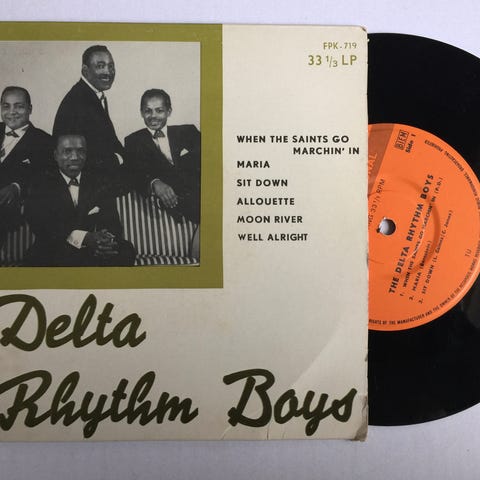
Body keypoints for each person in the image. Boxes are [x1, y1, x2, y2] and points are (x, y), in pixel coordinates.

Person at [24, 134, 135, 267]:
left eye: (81, 151)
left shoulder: (99, 182)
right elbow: (40, 225)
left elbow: (112, 222)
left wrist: (105, 242)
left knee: (126, 250)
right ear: (56, 155)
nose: (75, 157)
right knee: (41, 257)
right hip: (56, 247)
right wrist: (84, 238)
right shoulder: (41, 183)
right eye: (67, 151)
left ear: (86, 155)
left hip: (92, 250)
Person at [53, 45, 127, 194]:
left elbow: (108, 140)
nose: (108, 72)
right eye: (100, 66)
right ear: (85, 71)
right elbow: (74, 155)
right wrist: (119, 159)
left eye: (111, 66)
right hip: (88, 190)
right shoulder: (78, 100)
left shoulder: (90, 94)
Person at [124, 88, 201, 224]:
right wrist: (154, 182)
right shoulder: (133, 141)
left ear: (168, 111)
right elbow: (135, 171)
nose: (153, 116)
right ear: (141, 113)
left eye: (159, 110)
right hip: (175, 208)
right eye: (148, 111)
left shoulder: (188, 131)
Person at [0, 86, 52, 245]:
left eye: (19, 106)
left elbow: (43, 177)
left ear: (30, 109)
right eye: (6, 106)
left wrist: (17, 187)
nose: (12, 112)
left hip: (7, 209)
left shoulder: (44, 141)